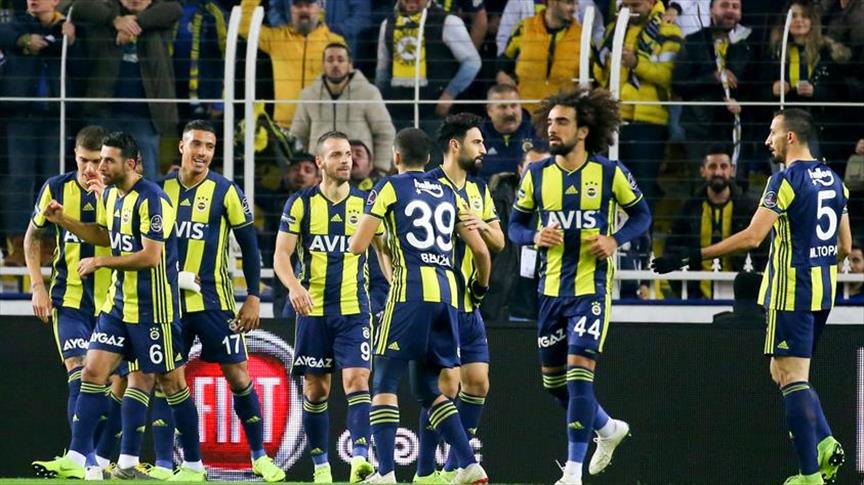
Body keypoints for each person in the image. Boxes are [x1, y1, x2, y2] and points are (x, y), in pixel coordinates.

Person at [651, 108, 852, 485]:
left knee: (791, 377)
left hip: (791, 292)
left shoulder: (785, 180)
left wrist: (691, 256)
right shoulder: (835, 180)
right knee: (785, 372)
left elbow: (752, 237)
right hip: (822, 294)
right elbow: (845, 247)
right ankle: (826, 442)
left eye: (772, 132)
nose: (766, 140)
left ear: (790, 136)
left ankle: (809, 475)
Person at [31, 132, 206, 481]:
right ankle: (77, 456)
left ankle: (193, 465)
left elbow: (150, 256)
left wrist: (101, 262)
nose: (100, 167)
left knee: (172, 384)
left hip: (153, 310)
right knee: (92, 373)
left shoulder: (153, 199)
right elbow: (105, 235)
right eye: (98, 160)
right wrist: (63, 220)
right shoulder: (111, 195)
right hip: (117, 306)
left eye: (108, 161)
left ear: (131, 163)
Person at [507, 88, 652, 485]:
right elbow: (514, 226)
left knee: (578, 375)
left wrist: (614, 240)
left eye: (562, 122)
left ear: (583, 131)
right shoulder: (537, 175)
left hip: (591, 290)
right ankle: (607, 428)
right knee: (554, 385)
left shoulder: (609, 173)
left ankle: (572, 472)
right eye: (550, 122)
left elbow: (642, 215)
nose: (552, 129)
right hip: (550, 293)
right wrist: (534, 236)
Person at [348, 128, 491, 484]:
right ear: (428, 159)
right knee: (429, 389)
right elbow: (481, 250)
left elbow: (357, 245)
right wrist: (479, 287)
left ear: (395, 157)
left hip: (409, 294)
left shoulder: (388, 187)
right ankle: (469, 463)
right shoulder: (448, 191)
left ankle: (385, 473)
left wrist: (379, 236)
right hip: (448, 296)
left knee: (383, 380)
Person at [156, 120, 284, 481]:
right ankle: (170, 463)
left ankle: (259, 457)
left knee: (239, 375)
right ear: (182, 146)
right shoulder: (160, 190)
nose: (202, 152)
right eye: (196, 144)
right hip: (169, 304)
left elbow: (250, 247)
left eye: (209, 146)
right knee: (167, 379)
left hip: (214, 302)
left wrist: (254, 296)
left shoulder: (226, 191)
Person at [273, 131, 384, 483]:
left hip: (354, 309)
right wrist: (294, 287)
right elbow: (281, 254)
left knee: (357, 379)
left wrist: (396, 285)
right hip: (314, 312)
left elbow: (384, 249)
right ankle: (321, 467)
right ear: (320, 162)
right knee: (316, 390)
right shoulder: (301, 204)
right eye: (336, 154)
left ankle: (360, 460)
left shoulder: (366, 203)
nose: (346, 160)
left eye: (348, 154)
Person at [23, 126, 128, 473]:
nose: (90, 169)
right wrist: (37, 285)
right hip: (69, 300)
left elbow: (119, 241)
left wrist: (104, 201)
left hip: (113, 303)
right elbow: (32, 237)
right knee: (79, 372)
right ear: (75, 155)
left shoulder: (118, 193)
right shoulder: (56, 188)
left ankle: (101, 457)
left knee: (116, 384)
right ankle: (85, 462)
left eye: (98, 161)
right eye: (84, 160)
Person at [413, 113, 504, 482]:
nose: (483, 149)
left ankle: (454, 467)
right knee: (445, 386)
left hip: (470, 304)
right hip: (441, 302)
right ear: (455, 145)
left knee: (478, 382)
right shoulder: (427, 186)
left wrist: (479, 225)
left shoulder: (479, 191)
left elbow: (498, 241)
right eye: (477, 142)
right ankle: (425, 471)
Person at [0, 0, 77, 265]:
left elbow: (80, 61)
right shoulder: (17, 25)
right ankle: (18, 244)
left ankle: (50, 243)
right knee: (19, 180)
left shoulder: (68, 27)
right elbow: (4, 33)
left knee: (53, 179)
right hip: (20, 116)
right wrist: (23, 40)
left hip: (56, 116)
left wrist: (69, 39)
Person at [72, 0, 182, 180]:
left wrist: (134, 24)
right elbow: (78, 7)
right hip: (103, 113)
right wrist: (115, 20)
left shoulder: (159, 15)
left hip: (146, 117)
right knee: (99, 179)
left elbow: (175, 9)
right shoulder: (107, 10)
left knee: (145, 180)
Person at [594, 0, 683, 211]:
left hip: (648, 121)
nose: (630, 11)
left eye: (636, 5)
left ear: (651, 3)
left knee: (642, 189)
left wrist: (637, 64)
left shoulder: (669, 31)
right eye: (626, 6)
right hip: (612, 119)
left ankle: (643, 233)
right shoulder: (614, 29)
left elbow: (670, 75)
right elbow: (602, 70)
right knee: (606, 188)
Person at [665, 144, 764, 298]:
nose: (718, 172)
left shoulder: (748, 210)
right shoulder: (689, 209)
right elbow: (672, 251)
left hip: (741, 297)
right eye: (712, 166)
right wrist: (686, 293)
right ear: (702, 171)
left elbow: (763, 253)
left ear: (732, 170)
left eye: (723, 166)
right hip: (696, 297)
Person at [765, 0, 851, 166]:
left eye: (804, 16)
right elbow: (756, 90)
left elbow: (841, 93)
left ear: (813, 21)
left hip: (815, 126)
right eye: (794, 16)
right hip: (781, 125)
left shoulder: (827, 53)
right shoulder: (775, 53)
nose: (799, 20)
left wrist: (815, 91)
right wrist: (773, 90)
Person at [375, 0, 481, 131]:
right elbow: (382, 70)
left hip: (434, 111)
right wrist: (379, 101)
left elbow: (472, 62)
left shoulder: (449, 22)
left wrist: (449, 94)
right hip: (398, 111)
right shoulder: (387, 24)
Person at [290, 42, 396, 174]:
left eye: (340, 60)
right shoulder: (308, 94)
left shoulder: (368, 92)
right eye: (330, 60)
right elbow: (299, 134)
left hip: (357, 171)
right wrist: (306, 167)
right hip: (321, 173)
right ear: (323, 64)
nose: (335, 64)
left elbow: (385, 132)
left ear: (350, 64)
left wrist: (380, 168)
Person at [671, 0, 754, 167]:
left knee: (736, 180)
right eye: (724, 5)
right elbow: (678, 85)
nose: (730, 11)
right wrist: (714, 77)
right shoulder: (693, 42)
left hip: (736, 128)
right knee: (700, 181)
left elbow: (756, 85)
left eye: (735, 7)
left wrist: (742, 105)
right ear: (710, 10)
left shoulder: (748, 44)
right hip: (699, 128)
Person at [239, 0, 345, 129]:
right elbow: (244, 26)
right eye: (298, 5)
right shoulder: (277, 39)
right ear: (291, 9)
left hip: (322, 128)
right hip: (284, 128)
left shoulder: (335, 43)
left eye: (308, 5)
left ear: (319, 8)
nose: (303, 10)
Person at [497, 0, 583, 113]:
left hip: (562, 116)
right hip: (525, 115)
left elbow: (593, 80)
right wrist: (513, 98)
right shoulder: (525, 28)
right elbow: (501, 68)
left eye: (576, 3)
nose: (574, 9)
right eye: (568, 3)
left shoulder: (583, 37)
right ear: (552, 2)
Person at [479, 83, 542, 179]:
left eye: (514, 105)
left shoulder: (539, 133)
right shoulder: (477, 137)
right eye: (502, 107)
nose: (509, 112)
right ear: (489, 110)